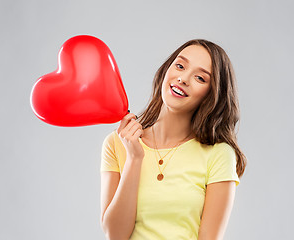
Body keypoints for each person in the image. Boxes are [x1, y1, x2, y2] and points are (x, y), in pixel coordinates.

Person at [100, 39, 247, 240]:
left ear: (211, 95)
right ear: (165, 71)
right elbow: (115, 235)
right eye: (180, 66)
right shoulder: (117, 143)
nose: (183, 78)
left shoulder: (219, 154)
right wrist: (134, 159)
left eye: (200, 78)